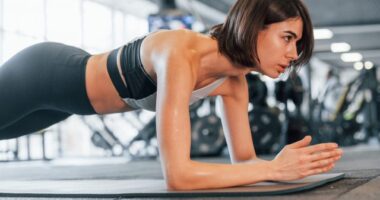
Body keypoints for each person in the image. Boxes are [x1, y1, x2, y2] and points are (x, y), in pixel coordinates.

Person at [0, 0, 342, 190]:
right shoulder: (181, 54)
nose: (294, 54)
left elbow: (246, 163)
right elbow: (178, 176)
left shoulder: (233, 84)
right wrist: (272, 171)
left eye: (297, 43)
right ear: (253, 28)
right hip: (43, 75)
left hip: (67, 106)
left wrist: (276, 165)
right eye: (287, 38)